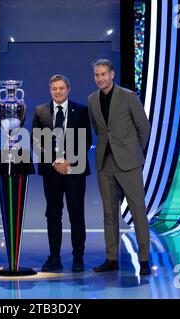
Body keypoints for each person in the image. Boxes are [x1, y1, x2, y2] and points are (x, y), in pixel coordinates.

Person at [88, 59, 151, 275]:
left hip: (129, 162)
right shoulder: (92, 100)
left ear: (112, 74)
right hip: (105, 163)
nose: (100, 78)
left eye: (103, 74)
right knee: (109, 213)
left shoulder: (128, 96)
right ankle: (111, 257)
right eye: (97, 75)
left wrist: (132, 152)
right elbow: (99, 129)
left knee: (138, 211)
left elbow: (143, 128)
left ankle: (144, 260)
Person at [32, 74, 92, 272]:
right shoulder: (40, 111)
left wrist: (69, 161)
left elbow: (86, 140)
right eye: (54, 89)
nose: (57, 92)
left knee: (77, 214)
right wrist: (55, 161)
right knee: (53, 215)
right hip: (51, 172)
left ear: (68, 89)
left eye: (61, 88)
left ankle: (78, 258)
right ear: (50, 90)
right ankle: (54, 257)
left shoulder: (81, 111)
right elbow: (36, 141)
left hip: (74, 170)